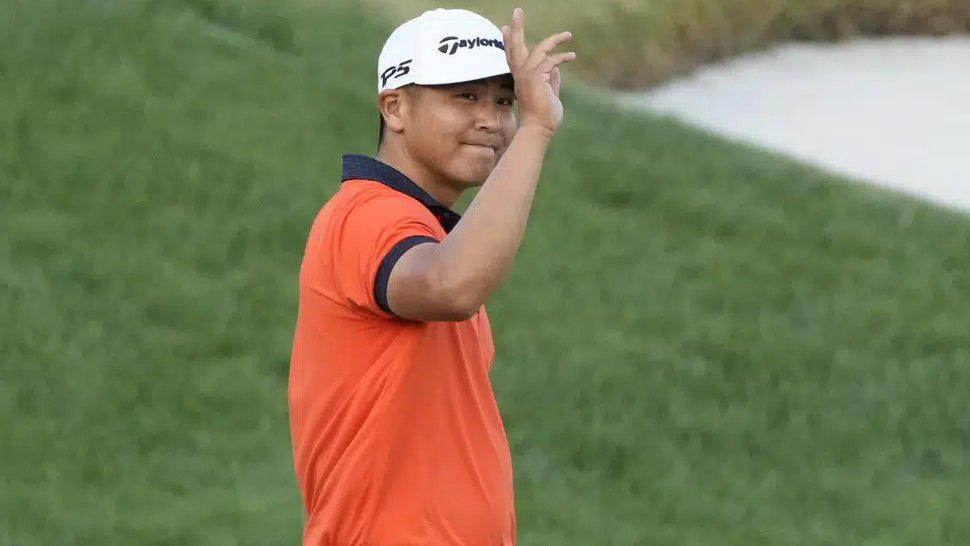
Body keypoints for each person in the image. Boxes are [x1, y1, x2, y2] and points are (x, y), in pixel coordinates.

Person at [288, 6, 575, 545]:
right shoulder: (366, 215)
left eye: (504, 100)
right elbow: (452, 286)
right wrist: (535, 130)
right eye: (464, 97)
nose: (490, 119)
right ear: (394, 107)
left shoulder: (427, 233)